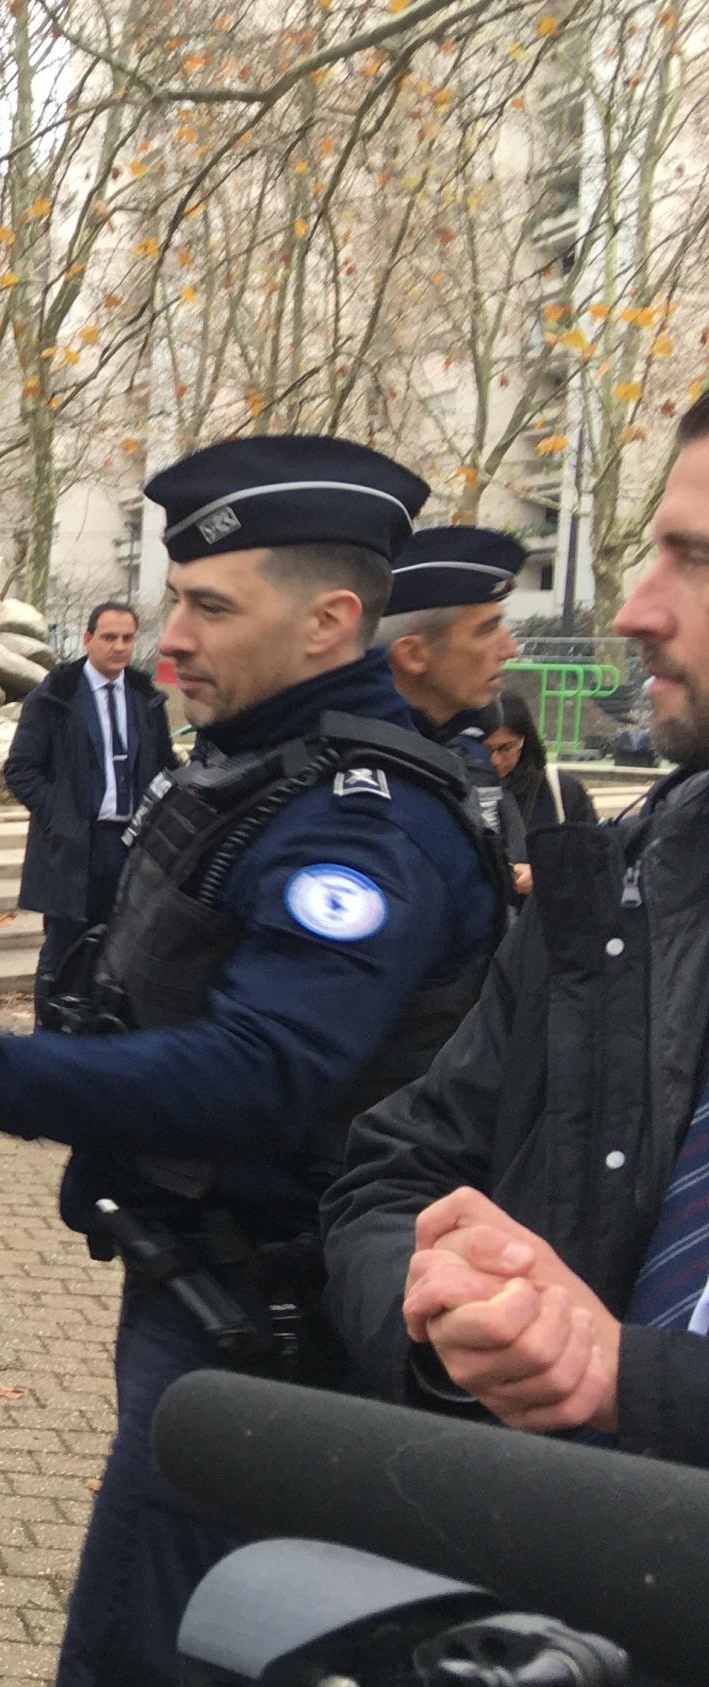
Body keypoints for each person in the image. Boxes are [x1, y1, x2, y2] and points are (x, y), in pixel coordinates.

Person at [0, 435, 513, 1687]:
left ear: (331, 621)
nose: (172, 635)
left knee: (148, 1650)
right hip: (208, 1301)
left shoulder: (361, 822)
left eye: (210, 606)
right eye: (177, 598)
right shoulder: (266, 772)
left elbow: (255, 1074)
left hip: (273, 1343)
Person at [318, 394, 709, 1461]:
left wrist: (637, 1377)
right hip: (554, 1576)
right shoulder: (621, 892)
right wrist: (452, 1311)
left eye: (697, 558)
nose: (635, 611)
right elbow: (392, 1173)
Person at [5, 601, 173, 992]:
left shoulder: (146, 698)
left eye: (128, 638)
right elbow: (20, 770)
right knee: (64, 949)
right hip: (76, 843)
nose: (119, 647)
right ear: (87, 639)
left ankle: (98, 1034)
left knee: (121, 945)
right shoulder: (54, 698)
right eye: (109, 637)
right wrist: (61, 816)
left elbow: (164, 763)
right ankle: (48, 1035)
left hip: (131, 841)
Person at [378, 525, 530, 880]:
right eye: (488, 629)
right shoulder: (361, 775)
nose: (510, 650)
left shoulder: (465, 752)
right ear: (414, 654)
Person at [486, 688, 595, 829]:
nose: (496, 760)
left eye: (506, 748)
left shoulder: (563, 791)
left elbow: (592, 847)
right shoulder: (457, 793)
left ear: (524, 740)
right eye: (485, 749)